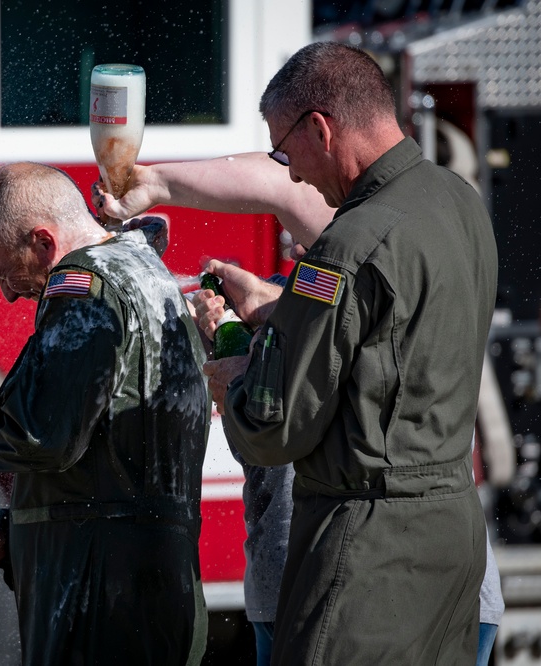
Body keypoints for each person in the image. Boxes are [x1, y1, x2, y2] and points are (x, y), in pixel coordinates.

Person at [95, 151, 505, 665]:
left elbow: (297, 383)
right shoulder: (397, 264)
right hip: (380, 579)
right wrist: (255, 311)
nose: (287, 234)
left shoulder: (360, 254)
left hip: (338, 585)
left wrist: (149, 182)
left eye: (302, 167)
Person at [196, 41, 496, 664]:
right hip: (456, 535)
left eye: (285, 151)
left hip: (370, 552)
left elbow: (278, 428)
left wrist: (236, 385)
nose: (293, 175)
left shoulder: (345, 246)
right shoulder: (460, 202)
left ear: (321, 128)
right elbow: (396, 347)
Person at [0, 162, 210, 665]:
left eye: (7, 272)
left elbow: (42, 431)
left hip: (101, 601)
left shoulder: (83, 284)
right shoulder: (140, 269)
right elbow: (108, 446)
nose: (7, 293)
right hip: (138, 585)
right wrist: (16, 528)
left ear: (44, 242)